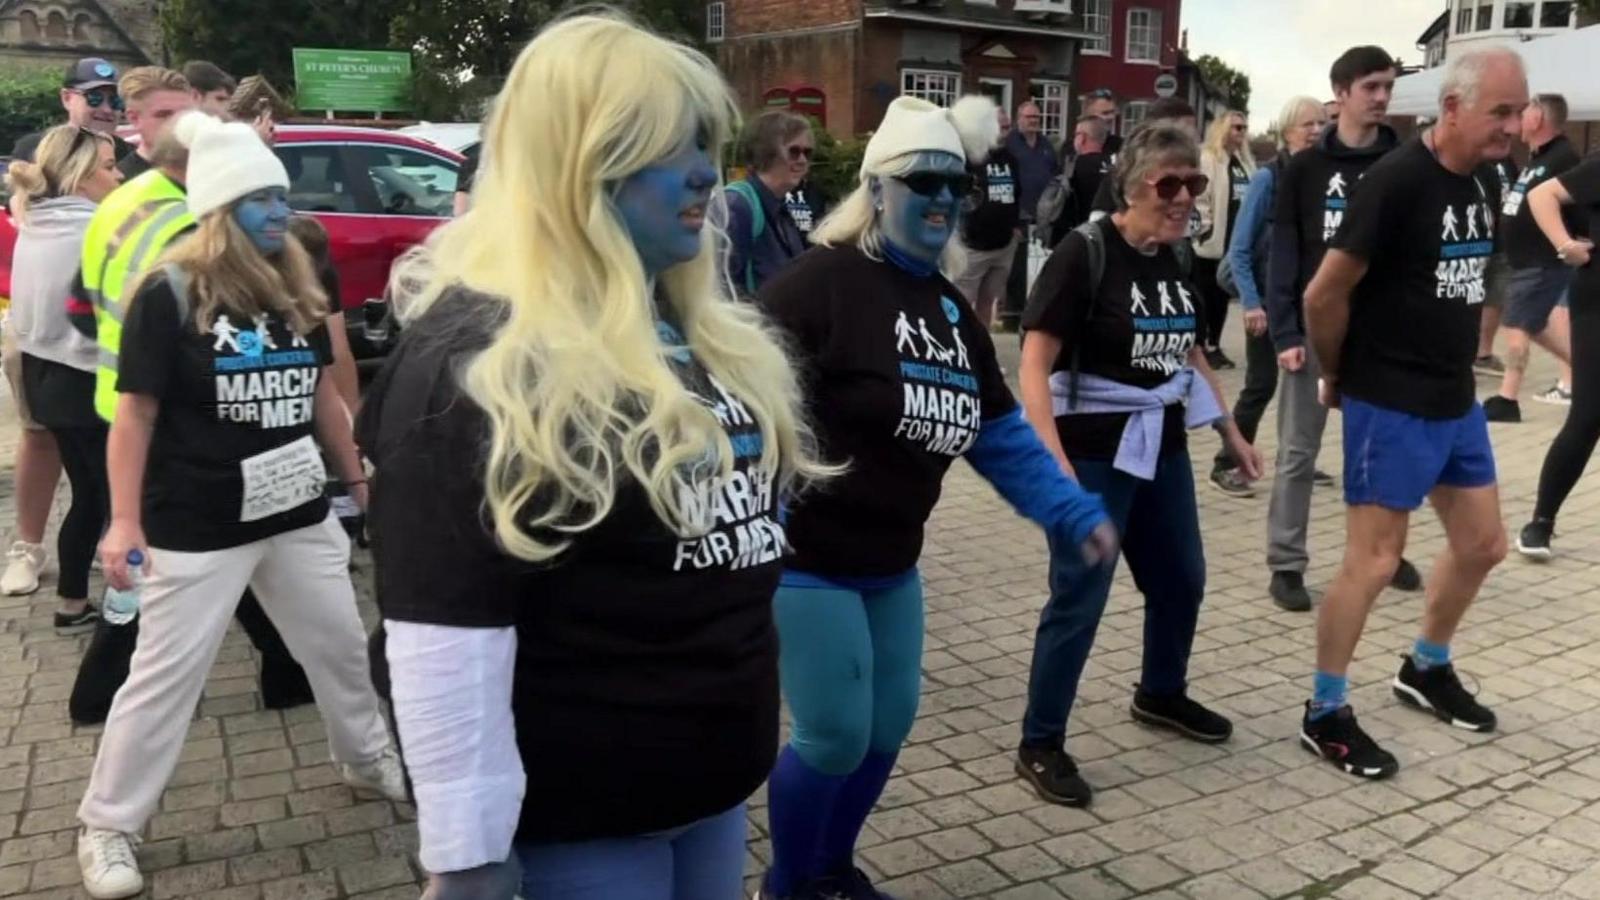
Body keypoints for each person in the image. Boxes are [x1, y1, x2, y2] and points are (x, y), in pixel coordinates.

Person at [360, 15, 833, 900]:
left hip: (713, 790)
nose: (705, 171)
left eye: (707, 142)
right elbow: (441, 628)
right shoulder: (481, 360)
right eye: (671, 146)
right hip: (582, 821)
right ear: (581, 162)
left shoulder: (692, 326)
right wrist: (467, 855)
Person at [755, 96, 1112, 899]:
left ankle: (830, 870)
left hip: (892, 564)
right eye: (925, 181)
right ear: (879, 189)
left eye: (959, 183)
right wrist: (752, 518)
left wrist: (1070, 511)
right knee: (835, 734)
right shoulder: (820, 285)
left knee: (885, 730)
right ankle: (785, 887)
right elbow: (743, 403)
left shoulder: (952, 312)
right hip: (808, 558)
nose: (946, 199)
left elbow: (999, 433)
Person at [75, 114, 406, 900]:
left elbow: (323, 390)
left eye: (280, 198)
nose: (277, 214)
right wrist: (123, 521)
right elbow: (136, 414)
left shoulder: (295, 284)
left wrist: (357, 476)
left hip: (295, 511)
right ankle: (108, 823)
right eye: (258, 201)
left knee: (336, 648)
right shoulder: (170, 291)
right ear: (220, 210)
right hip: (197, 521)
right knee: (163, 680)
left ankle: (366, 762)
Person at [1015, 122, 1262, 809]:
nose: (1184, 197)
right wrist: (1053, 463)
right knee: (1081, 595)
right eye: (1169, 184)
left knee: (1182, 578)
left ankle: (1161, 692)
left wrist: (1231, 432)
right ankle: (1040, 741)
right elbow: (1034, 364)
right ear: (1131, 186)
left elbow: (1189, 352)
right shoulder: (1084, 253)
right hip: (1093, 453)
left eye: (1195, 183)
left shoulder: (1178, 261)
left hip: (1164, 447)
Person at [1298, 47, 1527, 780]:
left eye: (1518, 111)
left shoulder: (1486, 178)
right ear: (1453, 108)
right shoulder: (1393, 184)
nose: (1514, 126)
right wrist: (1337, 375)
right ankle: (1324, 711)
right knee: (1373, 561)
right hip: (1388, 398)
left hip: (1452, 396)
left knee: (1485, 543)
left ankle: (1425, 667)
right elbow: (1321, 296)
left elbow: (1477, 277)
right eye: (1500, 111)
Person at [67, 112, 314, 722]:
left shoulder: (122, 203)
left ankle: (284, 671)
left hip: (139, 411)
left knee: (174, 566)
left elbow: (79, 305)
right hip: (162, 426)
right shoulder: (183, 228)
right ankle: (102, 693)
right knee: (149, 569)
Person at [1263, 46, 1422, 613]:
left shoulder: (1403, 161)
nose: (1381, 98)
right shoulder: (1304, 168)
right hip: (1312, 326)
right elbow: (1284, 253)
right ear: (1342, 92)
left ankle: (1384, 551)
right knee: (1299, 452)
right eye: (1371, 87)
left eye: (1388, 87)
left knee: (1380, 451)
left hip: (1379, 333)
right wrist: (1284, 333)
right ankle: (1286, 562)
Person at [4, 126, 123, 633]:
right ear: (78, 176)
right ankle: (126, 609)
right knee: (119, 500)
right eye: (108, 165)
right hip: (89, 383)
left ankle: (73, 601)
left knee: (89, 496)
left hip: (45, 379)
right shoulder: (94, 230)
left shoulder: (36, 223)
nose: (118, 175)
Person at [1208, 98, 1327, 501]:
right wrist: (1252, 304)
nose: (1316, 130)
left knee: (1309, 387)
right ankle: (1226, 463)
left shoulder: (1322, 179)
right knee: (1261, 384)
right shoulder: (1267, 179)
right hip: (1266, 299)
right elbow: (1239, 249)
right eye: (1307, 123)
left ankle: (1297, 459)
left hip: (1307, 302)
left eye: (1322, 123)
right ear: (1287, 130)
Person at [1512, 139, 1600, 558]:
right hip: (1597, 303)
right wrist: (1566, 246)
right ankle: (1541, 521)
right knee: (1588, 416)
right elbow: (1541, 194)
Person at [1482, 94, 1581, 423]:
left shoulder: (1562, 158)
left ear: (1537, 118)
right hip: (1526, 261)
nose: (1517, 120)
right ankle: (1591, 372)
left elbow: (1575, 207)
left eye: (1523, 113)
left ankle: (1507, 399)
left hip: (1541, 262)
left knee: (1516, 327)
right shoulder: (1537, 158)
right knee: (1534, 326)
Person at [950, 95, 1021, 329]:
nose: (1004, 132)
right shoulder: (971, 157)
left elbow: (1016, 192)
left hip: (1002, 245)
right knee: (960, 304)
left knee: (987, 304)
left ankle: (982, 355)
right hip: (973, 245)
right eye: (1000, 127)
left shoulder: (1010, 158)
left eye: (1007, 127)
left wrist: (1015, 225)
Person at [1194, 110, 1256, 372]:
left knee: (1222, 297)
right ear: (1222, 129)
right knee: (1205, 294)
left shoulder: (1245, 163)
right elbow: (1201, 197)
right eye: (1236, 128)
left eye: (1243, 128)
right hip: (1214, 240)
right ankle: (1200, 346)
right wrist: (1204, 229)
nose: (1241, 133)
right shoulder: (1209, 159)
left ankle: (1215, 344)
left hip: (1237, 241)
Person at [725, 110, 812, 297]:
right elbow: (722, 291)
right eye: (794, 152)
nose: (803, 161)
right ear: (766, 152)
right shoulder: (738, 207)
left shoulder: (783, 209)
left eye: (807, 153)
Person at [1086, 97, 1199, 220]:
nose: (1196, 136)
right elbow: (1098, 222)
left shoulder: (1192, 174)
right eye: (1188, 129)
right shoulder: (1125, 173)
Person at [11, 58, 134, 163]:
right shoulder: (34, 149)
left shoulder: (129, 156)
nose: (107, 109)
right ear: (67, 98)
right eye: (94, 98)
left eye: (116, 101)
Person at [114, 67, 198, 180]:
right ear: (134, 118)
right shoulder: (118, 181)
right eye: (164, 115)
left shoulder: (215, 171)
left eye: (185, 114)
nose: (178, 122)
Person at [1083, 88, 1123, 158]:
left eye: (1112, 112)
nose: (1111, 117)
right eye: (1105, 113)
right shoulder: (1071, 147)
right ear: (1089, 116)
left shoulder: (1121, 146)